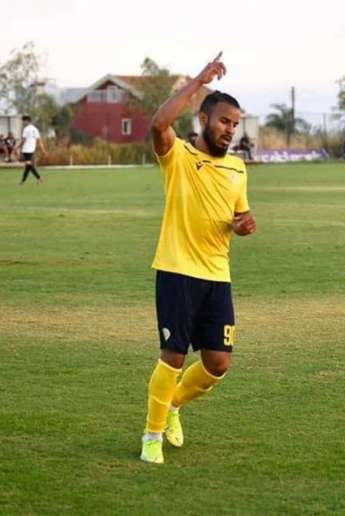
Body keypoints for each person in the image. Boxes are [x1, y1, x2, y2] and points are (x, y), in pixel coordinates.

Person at [140, 53, 256, 465]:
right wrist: (197, 81)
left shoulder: (239, 169)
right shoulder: (179, 156)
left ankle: (172, 406)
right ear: (204, 118)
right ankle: (152, 436)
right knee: (173, 356)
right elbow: (158, 123)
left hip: (216, 275)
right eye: (224, 121)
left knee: (217, 363)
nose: (230, 130)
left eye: (236, 124)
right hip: (176, 270)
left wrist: (242, 225)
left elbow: (235, 218)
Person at [17, 115, 45, 185]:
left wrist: (16, 147)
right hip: (32, 149)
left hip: (26, 149)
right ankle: (23, 181)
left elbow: (23, 140)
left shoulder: (26, 129)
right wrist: (43, 150)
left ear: (27, 121)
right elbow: (39, 141)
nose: (23, 123)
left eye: (23, 121)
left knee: (28, 164)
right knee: (27, 166)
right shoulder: (35, 129)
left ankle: (39, 178)